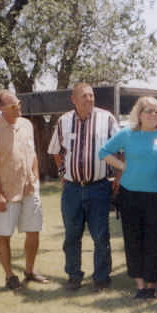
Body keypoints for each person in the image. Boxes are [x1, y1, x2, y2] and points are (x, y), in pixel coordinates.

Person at [47, 82, 119, 292]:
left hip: (99, 187)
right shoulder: (63, 121)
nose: (89, 99)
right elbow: (55, 151)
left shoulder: (107, 119)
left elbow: (120, 150)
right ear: (74, 99)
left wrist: (118, 177)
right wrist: (63, 173)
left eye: (91, 95)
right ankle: (73, 275)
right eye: (85, 96)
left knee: (100, 235)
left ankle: (102, 278)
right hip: (72, 190)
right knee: (72, 234)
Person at [99, 97, 157, 300]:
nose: (153, 115)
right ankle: (140, 285)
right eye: (148, 111)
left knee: (155, 241)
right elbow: (103, 152)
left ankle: (151, 284)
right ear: (139, 114)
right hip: (131, 195)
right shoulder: (127, 133)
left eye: (156, 111)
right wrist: (123, 167)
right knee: (133, 240)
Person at [0, 90, 49, 290]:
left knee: (34, 230)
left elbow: (34, 154)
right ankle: (10, 275)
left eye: (18, 104)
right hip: (7, 191)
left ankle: (29, 271)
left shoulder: (26, 125)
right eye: (12, 106)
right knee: (4, 234)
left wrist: (35, 180)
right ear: (1, 108)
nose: (18, 108)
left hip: (29, 189)